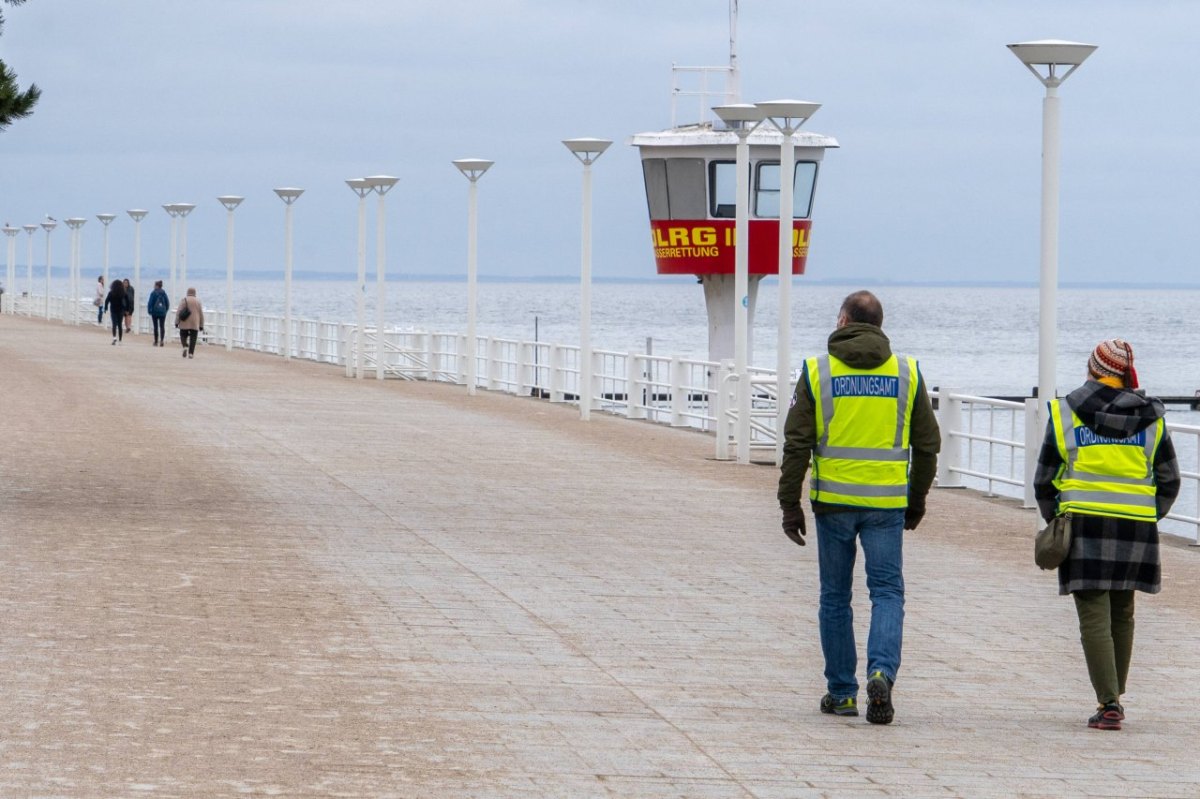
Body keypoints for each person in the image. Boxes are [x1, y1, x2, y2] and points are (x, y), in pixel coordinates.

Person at [777, 290, 940, 725]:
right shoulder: (906, 372)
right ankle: (882, 672)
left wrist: (789, 504)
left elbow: (796, 445)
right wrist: (917, 499)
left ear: (843, 320)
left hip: (832, 503)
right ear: (880, 325)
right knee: (887, 592)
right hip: (886, 504)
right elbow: (927, 444)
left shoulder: (818, 371)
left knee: (835, 596)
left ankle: (842, 693)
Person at [1033, 339, 1179, 731]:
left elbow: (1044, 479)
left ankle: (1109, 701)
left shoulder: (1066, 413)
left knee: (1093, 614)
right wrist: (1148, 516)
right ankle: (1114, 694)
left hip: (1084, 526)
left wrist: (1057, 521)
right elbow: (1170, 480)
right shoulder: (1152, 418)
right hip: (1136, 528)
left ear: (1093, 368)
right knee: (1123, 612)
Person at [176, 287, 204, 359]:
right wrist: (201, 325)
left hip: (184, 321)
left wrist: (177, 322)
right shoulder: (198, 301)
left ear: (187, 292)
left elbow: (179, 311)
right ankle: (191, 353)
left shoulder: (184, 300)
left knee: (183, 334)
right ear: (195, 293)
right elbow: (201, 314)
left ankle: (185, 346)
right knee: (193, 338)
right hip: (195, 322)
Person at [103, 279, 126, 345]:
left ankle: (114, 338)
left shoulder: (111, 293)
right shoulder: (123, 293)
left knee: (114, 324)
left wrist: (105, 308)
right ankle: (120, 340)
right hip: (121, 310)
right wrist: (127, 309)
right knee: (120, 325)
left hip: (113, 310)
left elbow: (107, 301)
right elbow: (127, 301)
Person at [147, 281, 169, 346]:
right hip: (163, 312)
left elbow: (150, 303)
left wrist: (149, 311)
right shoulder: (164, 293)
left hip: (155, 312)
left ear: (156, 286)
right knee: (162, 326)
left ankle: (156, 341)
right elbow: (167, 303)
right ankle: (162, 340)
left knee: (155, 327)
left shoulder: (153, 293)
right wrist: (165, 310)